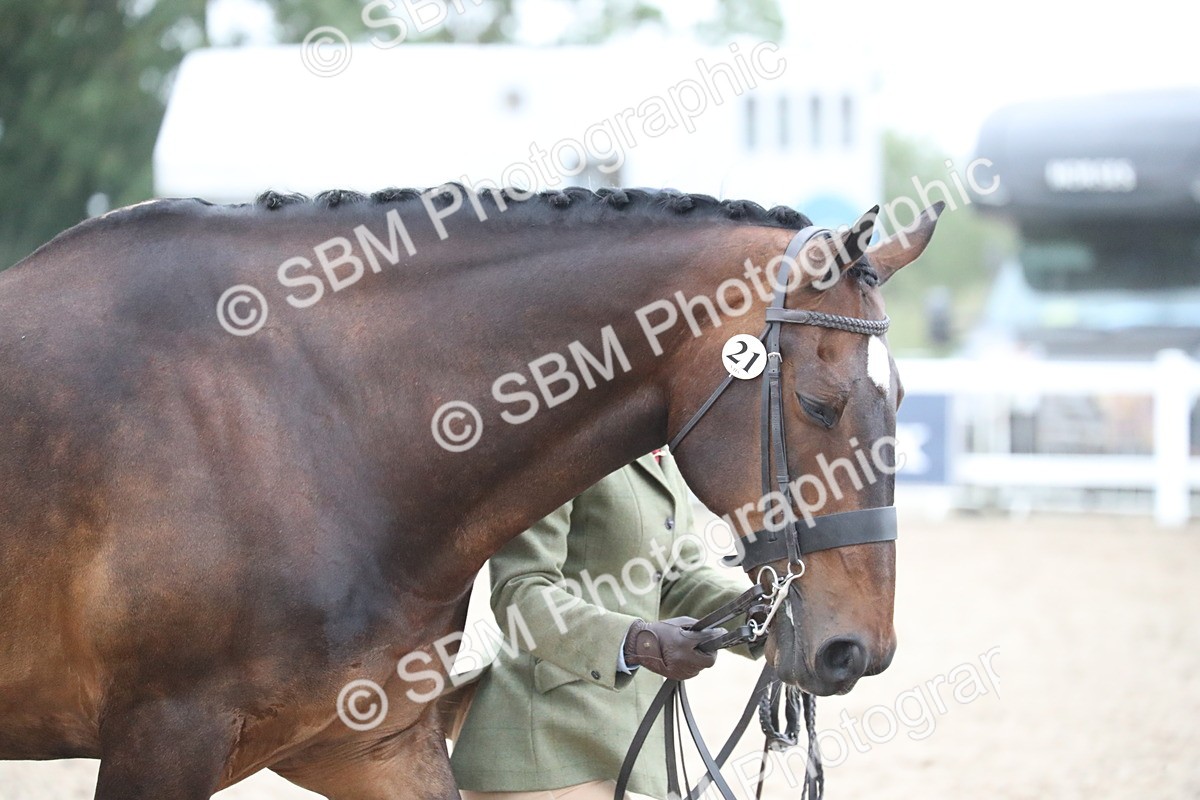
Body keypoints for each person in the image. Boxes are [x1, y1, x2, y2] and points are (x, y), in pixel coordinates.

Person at [449, 449, 759, 800]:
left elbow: (675, 577)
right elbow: (521, 591)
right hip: (541, 748)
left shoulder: (660, 453)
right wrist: (637, 642)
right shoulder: (561, 442)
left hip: (625, 745)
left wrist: (764, 614)